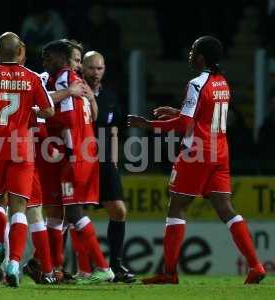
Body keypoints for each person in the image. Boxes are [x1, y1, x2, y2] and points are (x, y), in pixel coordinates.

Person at [127, 36, 266, 285]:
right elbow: (201, 115)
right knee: (226, 209)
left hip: (198, 152)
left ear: (201, 56)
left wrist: (148, 124)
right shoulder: (222, 82)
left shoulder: (196, 83)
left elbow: (185, 125)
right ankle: (256, 266)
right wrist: (178, 111)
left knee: (176, 207)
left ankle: (169, 273)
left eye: (193, 51)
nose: (190, 55)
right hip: (220, 151)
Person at [0, 32, 54, 288]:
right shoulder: (33, 78)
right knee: (19, 209)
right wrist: (31, 109)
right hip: (21, 149)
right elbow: (48, 110)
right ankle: (14, 263)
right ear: (21, 51)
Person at [41, 39, 114, 284]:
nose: (45, 63)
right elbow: (92, 116)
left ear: (59, 59)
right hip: (85, 153)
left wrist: (49, 119)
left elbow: (68, 118)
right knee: (65, 212)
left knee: (73, 211)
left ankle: (103, 267)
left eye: (48, 58)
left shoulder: (64, 76)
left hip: (74, 156)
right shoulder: (78, 81)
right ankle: (63, 269)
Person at [80, 51, 135, 283]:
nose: (96, 72)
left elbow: (113, 130)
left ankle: (115, 266)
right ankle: (55, 266)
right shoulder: (76, 92)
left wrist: (113, 161)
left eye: (100, 68)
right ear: (82, 67)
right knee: (69, 215)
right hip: (80, 160)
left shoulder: (110, 95)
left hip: (103, 162)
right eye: (91, 68)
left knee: (119, 211)